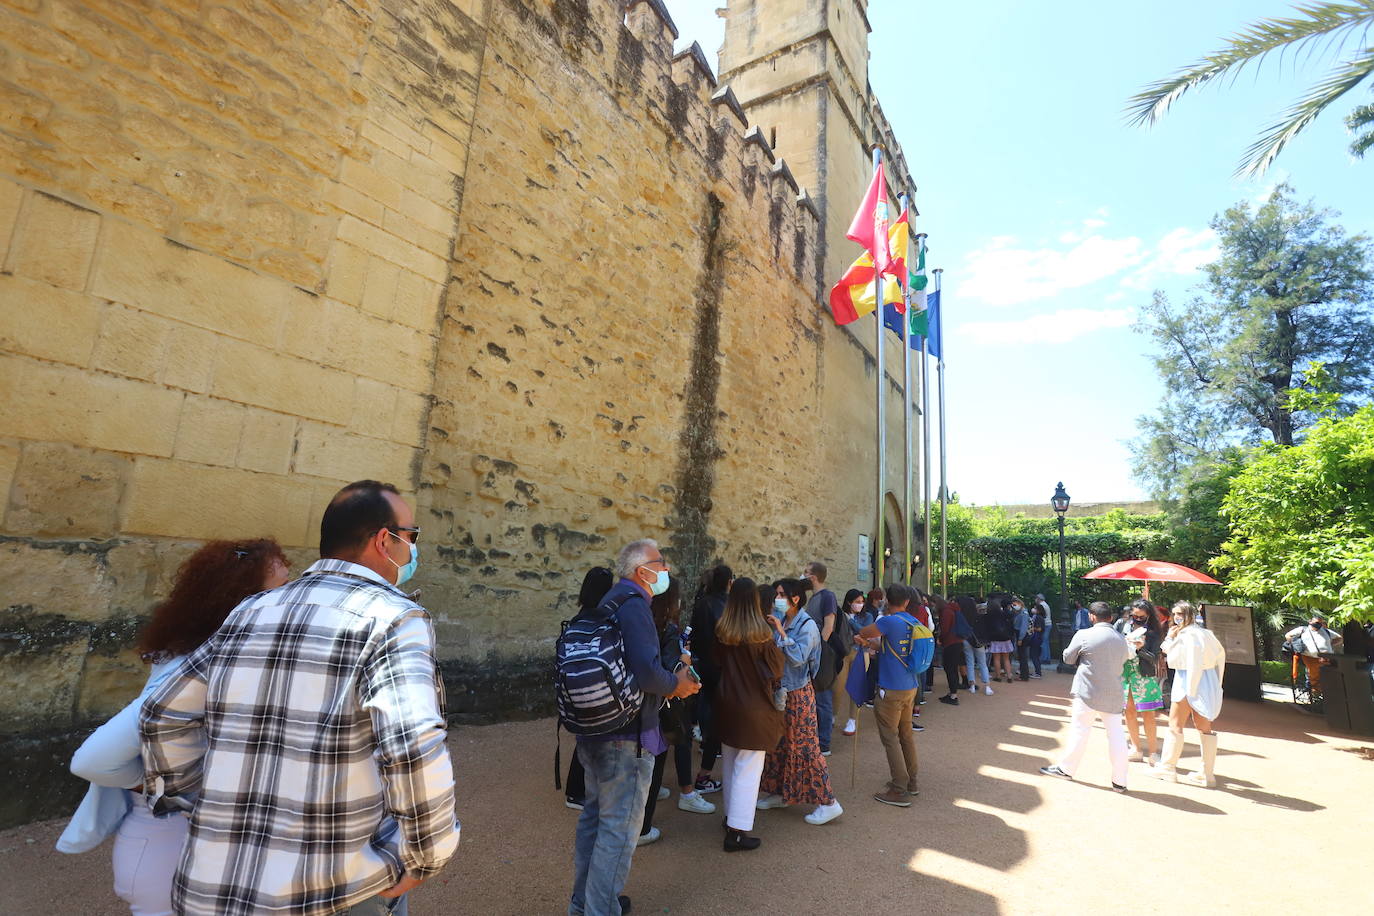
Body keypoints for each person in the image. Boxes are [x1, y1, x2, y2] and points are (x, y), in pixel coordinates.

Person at [140, 480, 459, 916]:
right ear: (385, 541)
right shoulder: (392, 618)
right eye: (412, 536)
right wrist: (427, 853)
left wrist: (197, 801)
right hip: (327, 892)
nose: (413, 548)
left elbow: (163, 714)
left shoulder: (250, 610)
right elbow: (412, 740)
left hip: (212, 886)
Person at [59, 539, 290, 916]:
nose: (289, 597)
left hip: (192, 845)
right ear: (238, 600)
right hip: (170, 846)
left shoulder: (209, 658)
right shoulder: (193, 671)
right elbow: (93, 760)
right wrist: (156, 781)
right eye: (279, 587)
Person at [565, 539, 700, 915]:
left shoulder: (609, 601)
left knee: (594, 823)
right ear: (643, 571)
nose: (666, 570)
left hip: (595, 729)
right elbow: (647, 674)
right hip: (627, 736)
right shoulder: (636, 604)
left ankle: (586, 904)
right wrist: (681, 684)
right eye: (661, 564)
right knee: (619, 832)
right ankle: (600, 909)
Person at [755, 578, 844, 825]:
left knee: (805, 747)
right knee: (778, 745)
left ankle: (828, 802)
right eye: (776, 595)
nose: (777, 599)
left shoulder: (807, 626)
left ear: (795, 598)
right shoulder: (781, 619)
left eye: (782, 594)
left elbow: (798, 657)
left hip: (798, 694)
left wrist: (781, 634)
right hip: (781, 691)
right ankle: (780, 792)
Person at [638, 578, 716, 847]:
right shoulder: (668, 629)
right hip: (663, 703)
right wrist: (684, 659)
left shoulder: (640, 622)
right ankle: (643, 827)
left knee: (647, 761)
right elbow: (672, 672)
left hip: (640, 703)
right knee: (662, 754)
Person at [714, 578, 786, 852]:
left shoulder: (722, 630)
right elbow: (776, 669)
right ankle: (738, 831)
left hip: (727, 703)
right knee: (748, 768)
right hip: (755, 706)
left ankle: (730, 817)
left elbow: (715, 661)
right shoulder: (763, 633)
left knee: (731, 763)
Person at [1040, 602, 1131, 793]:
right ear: (1110, 617)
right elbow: (1124, 659)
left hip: (1087, 690)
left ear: (1091, 616)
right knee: (1116, 735)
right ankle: (1120, 780)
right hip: (1114, 691)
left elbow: (1068, 658)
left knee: (1080, 730)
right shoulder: (1120, 638)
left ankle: (1067, 768)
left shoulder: (1084, 634)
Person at [854, 584, 924, 806]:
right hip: (910, 685)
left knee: (890, 738)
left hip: (890, 688)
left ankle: (898, 787)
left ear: (887, 600)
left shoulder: (887, 621)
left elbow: (864, 632)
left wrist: (864, 639)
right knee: (906, 734)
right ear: (906, 602)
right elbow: (888, 645)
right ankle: (911, 781)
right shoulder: (913, 622)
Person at [1152, 601, 1226, 788]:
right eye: (1175, 613)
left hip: (1188, 680)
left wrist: (1191, 688)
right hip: (1206, 680)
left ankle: (1168, 767)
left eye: (1180, 613)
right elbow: (1220, 656)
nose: (1176, 617)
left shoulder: (1188, 635)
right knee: (1204, 727)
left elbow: (1176, 656)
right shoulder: (1205, 633)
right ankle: (1207, 774)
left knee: (1175, 723)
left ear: (1189, 615)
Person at [565, 566, 617, 810]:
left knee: (585, 738)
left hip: (576, 685)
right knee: (591, 739)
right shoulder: (602, 618)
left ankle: (576, 790)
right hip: (596, 686)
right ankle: (576, 792)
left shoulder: (580, 617)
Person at [688, 563, 733, 795]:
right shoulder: (729, 606)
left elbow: (694, 636)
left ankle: (705, 757)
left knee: (705, 712)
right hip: (722, 669)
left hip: (702, 665)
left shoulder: (701, 603)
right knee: (720, 721)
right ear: (728, 582)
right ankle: (705, 775)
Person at [800, 561, 839, 754]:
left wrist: (818, 649)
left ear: (813, 576)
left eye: (805, 572)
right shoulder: (814, 598)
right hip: (814, 653)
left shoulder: (827, 596)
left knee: (823, 698)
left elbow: (828, 626)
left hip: (821, 654)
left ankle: (824, 743)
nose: (803, 575)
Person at [1121, 599, 1165, 764]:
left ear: (1148, 616)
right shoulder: (1124, 627)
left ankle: (1153, 752)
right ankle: (1136, 748)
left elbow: (1154, 658)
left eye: (1141, 616)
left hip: (1144, 674)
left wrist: (1141, 648)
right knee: (1129, 711)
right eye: (1135, 615)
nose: (1137, 618)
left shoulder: (1153, 633)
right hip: (1126, 673)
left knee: (1148, 713)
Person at [1284, 615, 1344, 699]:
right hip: (1310, 657)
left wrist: (1330, 644)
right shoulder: (1303, 629)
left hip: (1327, 657)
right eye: (1317, 622)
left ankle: (1328, 695)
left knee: (1330, 676)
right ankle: (1316, 696)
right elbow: (1288, 635)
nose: (1319, 624)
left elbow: (1339, 638)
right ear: (1310, 621)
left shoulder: (1326, 631)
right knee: (1314, 677)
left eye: (1320, 623)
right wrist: (1296, 644)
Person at [839, 588, 871, 736]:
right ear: (849, 602)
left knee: (855, 686)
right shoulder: (840, 615)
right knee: (837, 686)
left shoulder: (867, 616)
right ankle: (832, 714)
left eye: (862, 602)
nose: (860, 604)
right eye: (857, 602)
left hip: (860, 653)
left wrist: (850, 621)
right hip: (844, 653)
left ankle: (852, 719)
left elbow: (865, 631)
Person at [962, 596, 993, 694]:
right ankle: (987, 686)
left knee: (969, 663)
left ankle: (972, 686)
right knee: (983, 664)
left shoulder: (964, 615)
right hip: (978, 641)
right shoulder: (980, 616)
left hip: (967, 640)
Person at [937, 598, 966, 705]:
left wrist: (940, 638)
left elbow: (945, 629)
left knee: (950, 669)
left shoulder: (946, 612)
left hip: (950, 642)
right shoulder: (953, 610)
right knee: (953, 668)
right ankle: (953, 692)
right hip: (957, 641)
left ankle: (953, 695)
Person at [986, 597, 1016, 682]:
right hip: (1006, 638)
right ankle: (1009, 676)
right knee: (1006, 659)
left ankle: (998, 676)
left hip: (995, 638)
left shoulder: (993, 615)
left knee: (996, 658)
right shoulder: (1009, 614)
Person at [1011, 597, 1032, 681]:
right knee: (1022, 656)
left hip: (1022, 636)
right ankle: (1024, 675)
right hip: (1022, 635)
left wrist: (1020, 639)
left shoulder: (1023, 613)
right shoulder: (1021, 612)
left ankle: (1024, 676)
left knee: (1022, 656)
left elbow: (1023, 627)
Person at [1026, 604, 1047, 678]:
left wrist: (1032, 628)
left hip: (1036, 639)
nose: (1033, 609)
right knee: (1035, 655)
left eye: (1035, 608)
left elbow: (1039, 629)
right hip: (1037, 639)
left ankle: (1038, 673)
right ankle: (1037, 672)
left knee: (1034, 655)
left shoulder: (1038, 617)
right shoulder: (1038, 617)